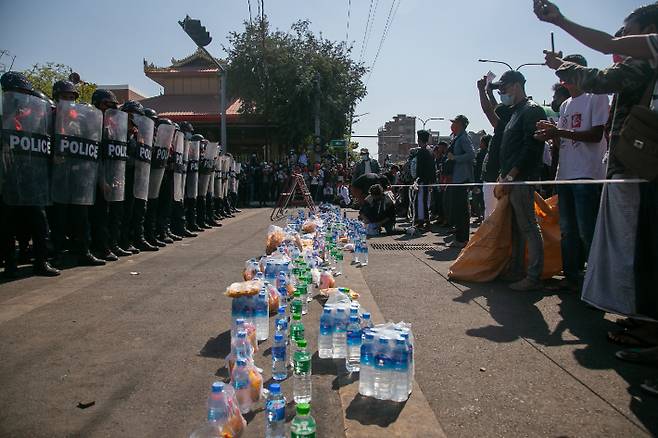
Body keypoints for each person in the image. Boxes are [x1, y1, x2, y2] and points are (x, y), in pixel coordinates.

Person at [537, 0, 658, 397]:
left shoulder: (646, 60)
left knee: (642, 250)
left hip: (643, 169)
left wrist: (560, 29)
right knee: (634, 249)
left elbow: (603, 61)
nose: (621, 38)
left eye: (629, 31)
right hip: (630, 168)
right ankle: (644, 322)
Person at [535, 54, 609, 293]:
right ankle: (573, 277)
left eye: (568, 73)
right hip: (565, 174)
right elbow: (563, 140)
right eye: (562, 75)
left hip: (587, 174)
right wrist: (552, 135)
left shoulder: (596, 97)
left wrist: (560, 132)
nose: (564, 80)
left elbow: (597, 135)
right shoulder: (566, 105)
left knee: (588, 230)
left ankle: (597, 282)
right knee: (568, 231)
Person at [492, 70, 547, 291]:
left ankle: (533, 276)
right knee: (516, 228)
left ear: (516, 85)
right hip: (511, 178)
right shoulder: (515, 112)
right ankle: (517, 270)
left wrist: (512, 175)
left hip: (521, 179)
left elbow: (531, 149)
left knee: (528, 226)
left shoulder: (532, 111)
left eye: (503, 88)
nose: (502, 92)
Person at [0, 72, 60, 276]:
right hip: (6, 180)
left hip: (31, 180)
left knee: (40, 223)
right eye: (19, 93)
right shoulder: (2, 118)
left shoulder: (31, 120)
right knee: (6, 226)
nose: (23, 98)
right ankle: (10, 265)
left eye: (26, 94)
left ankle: (42, 262)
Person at [90, 88, 129, 261]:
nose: (111, 109)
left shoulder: (113, 128)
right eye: (107, 104)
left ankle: (112, 244)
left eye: (114, 106)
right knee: (99, 216)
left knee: (113, 214)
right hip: (94, 177)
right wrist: (101, 179)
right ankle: (101, 248)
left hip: (112, 176)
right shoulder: (91, 124)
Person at [119, 100, 158, 253]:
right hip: (123, 177)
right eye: (132, 114)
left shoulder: (138, 135)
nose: (135, 118)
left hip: (139, 178)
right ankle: (123, 241)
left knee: (139, 209)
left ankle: (138, 239)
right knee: (125, 211)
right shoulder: (116, 131)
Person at [477, 76, 513, 219]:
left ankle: (491, 241)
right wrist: (489, 92)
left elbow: (488, 110)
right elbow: (494, 107)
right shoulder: (507, 124)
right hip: (495, 175)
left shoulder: (502, 127)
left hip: (495, 176)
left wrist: (481, 91)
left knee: (492, 216)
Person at [444, 116, 475, 247]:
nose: (452, 125)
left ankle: (463, 239)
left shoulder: (463, 138)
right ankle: (459, 236)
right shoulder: (457, 137)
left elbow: (471, 154)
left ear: (460, 124)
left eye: (454, 122)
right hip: (456, 177)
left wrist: (455, 158)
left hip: (462, 177)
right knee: (457, 208)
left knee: (462, 209)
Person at [414, 130, 436, 229]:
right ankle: (425, 220)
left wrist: (418, 179)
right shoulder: (430, 151)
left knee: (421, 200)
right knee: (425, 200)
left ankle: (422, 220)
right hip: (427, 179)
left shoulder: (422, 152)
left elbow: (421, 168)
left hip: (423, 180)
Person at [472, 135, 491, 223]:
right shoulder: (486, 153)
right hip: (481, 179)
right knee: (480, 200)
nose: (480, 144)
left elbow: (477, 168)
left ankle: (482, 217)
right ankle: (481, 217)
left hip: (479, 180)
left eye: (481, 142)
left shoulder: (482, 154)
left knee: (478, 200)